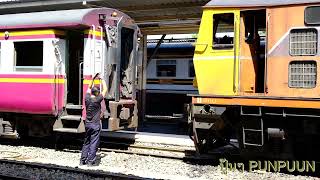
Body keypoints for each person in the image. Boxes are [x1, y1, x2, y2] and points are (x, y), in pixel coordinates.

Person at [80, 73, 107, 166]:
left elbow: (89, 86)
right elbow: (105, 89)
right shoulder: (98, 99)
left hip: (87, 124)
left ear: (91, 92)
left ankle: (82, 160)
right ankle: (90, 162)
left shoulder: (87, 98)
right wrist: (102, 79)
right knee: (93, 143)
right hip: (95, 125)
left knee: (86, 142)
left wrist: (93, 78)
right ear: (98, 93)